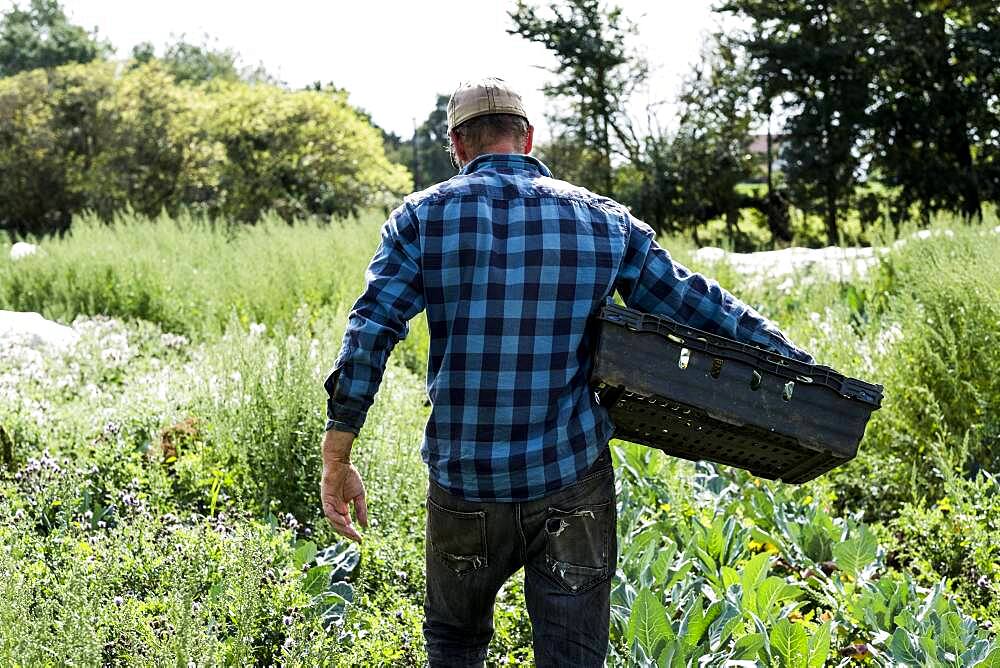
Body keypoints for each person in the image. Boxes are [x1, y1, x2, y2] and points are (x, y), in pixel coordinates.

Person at [319, 77, 814, 667]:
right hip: (570, 481)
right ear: (527, 137)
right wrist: (792, 363)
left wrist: (338, 456)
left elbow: (371, 331)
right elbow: (693, 302)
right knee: (573, 657)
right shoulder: (603, 221)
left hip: (466, 482)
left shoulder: (422, 219)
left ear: (456, 145)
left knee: (455, 643)